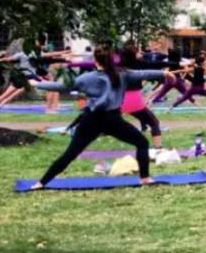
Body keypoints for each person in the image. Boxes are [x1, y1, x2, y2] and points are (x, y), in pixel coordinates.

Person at [29, 47, 175, 188]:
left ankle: (40, 183)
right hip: (112, 120)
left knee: (70, 154)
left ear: (95, 60)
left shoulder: (87, 78)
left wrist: (37, 84)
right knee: (142, 142)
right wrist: (163, 74)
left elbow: (62, 86)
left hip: (91, 120)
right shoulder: (123, 73)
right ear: (113, 60)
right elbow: (144, 74)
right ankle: (145, 178)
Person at [119, 43, 165, 149]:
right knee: (154, 122)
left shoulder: (119, 67)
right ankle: (157, 148)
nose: (140, 53)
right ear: (133, 54)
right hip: (134, 99)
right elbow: (155, 65)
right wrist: (175, 66)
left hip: (119, 100)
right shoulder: (137, 65)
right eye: (138, 51)